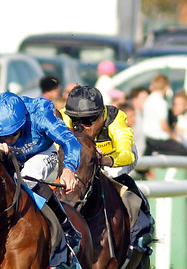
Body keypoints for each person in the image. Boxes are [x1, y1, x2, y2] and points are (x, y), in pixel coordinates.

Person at [0, 92, 85, 269]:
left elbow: (71, 142)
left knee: (28, 177)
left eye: (11, 134)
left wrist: (69, 169)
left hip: (42, 152)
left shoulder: (41, 114)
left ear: (23, 121)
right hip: (13, 157)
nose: (7, 139)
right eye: (1, 135)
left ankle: (67, 230)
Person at [62, 85, 155, 254]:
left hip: (114, 157)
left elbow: (127, 154)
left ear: (101, 115)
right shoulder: (65, 117)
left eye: (88, 120)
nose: (82, 127)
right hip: (83, 157)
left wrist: (105, 160)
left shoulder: (115, 119)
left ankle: (140, 229)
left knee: (111, 176)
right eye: (76, 121)